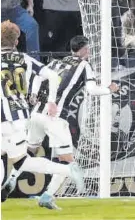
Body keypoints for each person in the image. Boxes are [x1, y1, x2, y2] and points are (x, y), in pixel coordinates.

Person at [3, 35, 119, 209]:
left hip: (35, 115)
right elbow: (91, 89)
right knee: (67, 160)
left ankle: (11, 180)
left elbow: (38, 78)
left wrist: (34, 94)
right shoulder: (84, 65)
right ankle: (48, 195)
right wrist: (109, 90)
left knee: (27, 153)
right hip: (55, 118)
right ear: (85, 49)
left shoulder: (56, 62)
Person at [0, 21, 84, 202]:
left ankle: (68, 169)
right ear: (16, 41)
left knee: (22, 161)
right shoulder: (26, 59)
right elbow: (53, 76)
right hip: (21, 116)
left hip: (4, 118)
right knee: (14, 158)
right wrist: (51, 101)